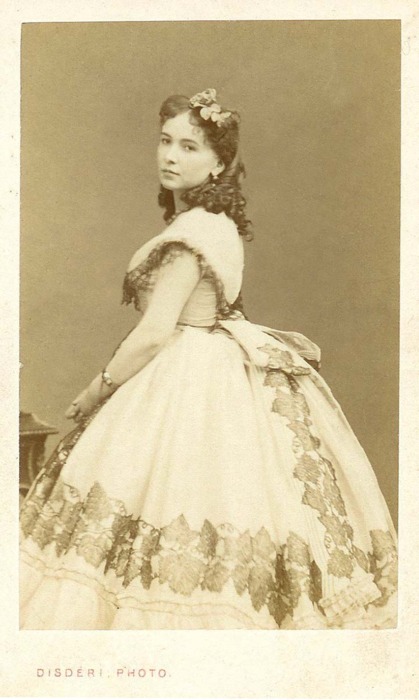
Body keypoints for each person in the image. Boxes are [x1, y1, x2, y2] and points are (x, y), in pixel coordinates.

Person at [19, 88, 398, 630]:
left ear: (220, 163)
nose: (171, 156)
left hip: (183, 375)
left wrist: (95, 389)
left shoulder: (192, 233)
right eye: (165, 141)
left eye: (189, 147)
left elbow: (154, 334)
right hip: (213, 368)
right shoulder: (215, 224)